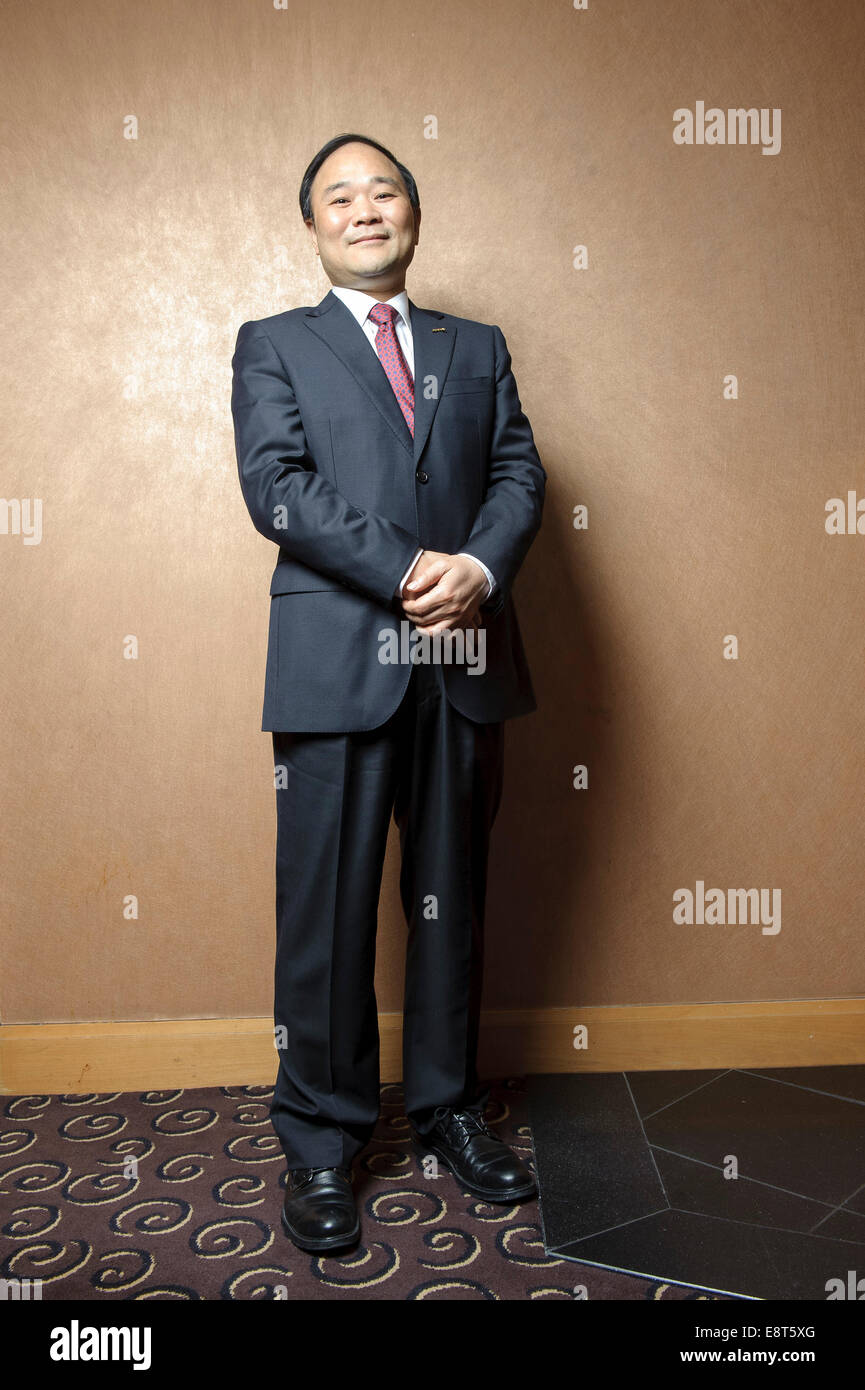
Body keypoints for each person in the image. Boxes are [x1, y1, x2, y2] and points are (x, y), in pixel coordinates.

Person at [231, 133, 546, 1253]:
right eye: (339, 198)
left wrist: (482, 568)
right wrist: (409, 568)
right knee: (323, 913)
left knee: (450, 897)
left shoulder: (479, 344)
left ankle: (451, 1108)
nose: (366, 210)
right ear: (314, 226)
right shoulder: (274, 345)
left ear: (414, 214)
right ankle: (321, 1141)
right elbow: (276, 488)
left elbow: (517, 471)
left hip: (464, 661)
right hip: (337, 669)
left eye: (385, 192)